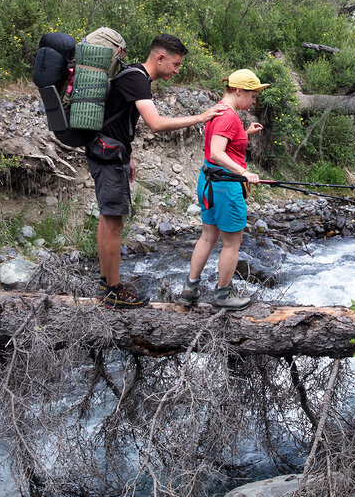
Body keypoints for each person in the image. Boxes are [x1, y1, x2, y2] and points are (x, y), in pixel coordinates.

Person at [88, 31, 227, 309]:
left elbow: (116, 121)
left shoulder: (132, 77)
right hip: (107, 153)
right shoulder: (137, 80)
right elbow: (156, 123)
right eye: (175, 64)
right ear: (160, 57)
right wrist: (201, 117)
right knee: (113, 222)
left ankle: (106, 283)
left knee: (108, 219)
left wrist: (128, 155)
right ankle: (113, 291)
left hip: (108, 149)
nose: (176, 70)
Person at [178, 69, 268, 311]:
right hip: (225, 186)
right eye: (253, 95)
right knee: (231, 244)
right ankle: (223, 295)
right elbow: (218, 153)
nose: (254, 100)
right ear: (239, 91)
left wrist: (244, 133)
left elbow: (221, 145)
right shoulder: (229, 116)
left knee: (208, 236)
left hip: (208, 181)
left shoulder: (220, 111)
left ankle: (190, 289)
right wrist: (243, 172)